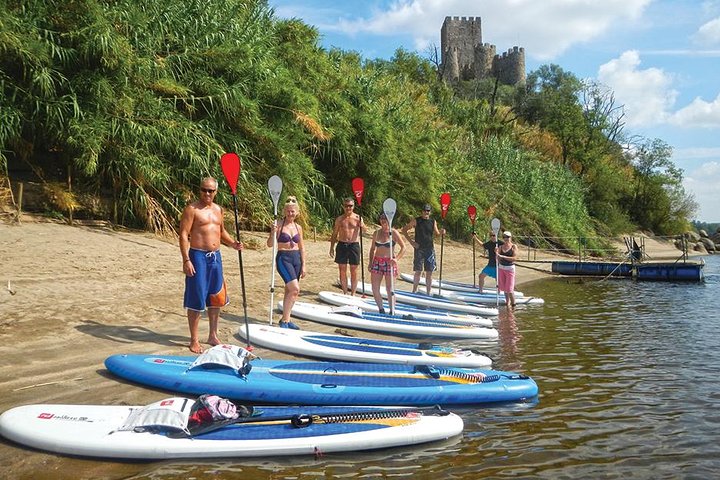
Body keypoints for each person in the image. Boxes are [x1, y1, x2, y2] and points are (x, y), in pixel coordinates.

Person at [179, 177, 243, 354]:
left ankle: (213, 335)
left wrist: (233, 243)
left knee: (216, 297)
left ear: (216, 192)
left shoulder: (218, 210)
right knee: (196, 298)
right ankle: (194, 339)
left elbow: (221, 232)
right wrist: (186, 260)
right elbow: (184, 235)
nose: (207, 193)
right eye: (204, 190)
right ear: (199, 190)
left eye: (211, 191)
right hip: (198, 257)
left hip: (216, 258)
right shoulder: (192, 210)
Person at [267, 196, 306, 329]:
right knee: (295, 289)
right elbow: (270, 244)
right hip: (283, 258)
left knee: (289, 291)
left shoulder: (298, 227)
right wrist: (272, 233)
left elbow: (302, 247)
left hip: (296, 259)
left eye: (293, 211)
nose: (290, 214)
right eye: (288, 211)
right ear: (284, 211)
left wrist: (304, 265)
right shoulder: (278, 224)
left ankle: (286, 319)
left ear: (297, 212)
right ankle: (284, 321)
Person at [401, 203, 445, 295]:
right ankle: (414, 291)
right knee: (418, 271)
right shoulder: (416, 220)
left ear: (430, 212)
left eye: (428, 211)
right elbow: (404, 230)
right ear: (422, 211)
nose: (426, 212)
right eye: (425, 210)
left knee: (429, 273)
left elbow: (436, 234)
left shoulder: (433, 221)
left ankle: (428, 293)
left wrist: (442, 232)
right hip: (419, 249)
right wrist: (412, 242)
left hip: (429, 249)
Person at [368, 213, 406, 314]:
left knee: (390, 289)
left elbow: (403, 247)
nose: (383, 220)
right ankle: (381, 309)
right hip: (377, 261)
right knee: (374, 287)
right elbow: (372, 249)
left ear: (389, 219)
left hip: (389, 262)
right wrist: (370, 262)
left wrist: (396, 259)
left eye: (385, 218)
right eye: (381, 218)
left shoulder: (393, 232)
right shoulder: (376, 233)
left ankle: (392, 310)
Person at [329, 197, 366, 296]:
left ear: (353, 206)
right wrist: (331, 247)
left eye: (350, 206)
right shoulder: (339, 219)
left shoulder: (358, 218)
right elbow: (334, 234)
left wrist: (362, 225)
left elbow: (365, 230)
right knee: (342, 269)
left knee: (354, 270)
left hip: (354, 245)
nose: (348, 208)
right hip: (342, 244)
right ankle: (345, 292)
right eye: (346, 206)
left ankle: (353, 293)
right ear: (343, 206)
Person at [496, 231, 518, 308]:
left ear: (510, 237)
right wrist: (497, 254)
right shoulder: (500, 247)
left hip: (510, 269)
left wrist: (504, 257)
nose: (506, 239)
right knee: (505, 288)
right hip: (501, 268)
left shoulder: (513, 247)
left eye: (507, 237)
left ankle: (513, 306)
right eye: (504, 237)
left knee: (510, 289)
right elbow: (498, 258)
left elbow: (514, 258)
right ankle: (507, 303)